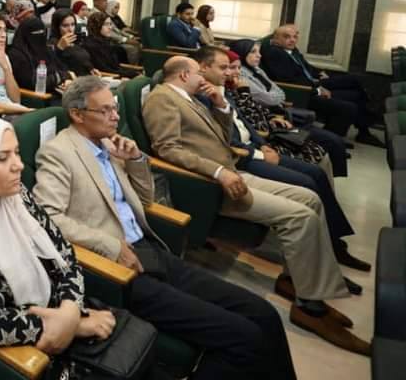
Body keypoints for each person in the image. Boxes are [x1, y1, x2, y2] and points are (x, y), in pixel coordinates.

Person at [35, 76, 298, 380]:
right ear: (77, 114)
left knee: (263, 313)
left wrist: (135, 160)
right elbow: (48, 218)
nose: (116, 116)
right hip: (118, 269)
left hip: (151, 251)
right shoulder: (59, 153)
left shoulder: (108, 144)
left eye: (115, 108)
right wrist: (110, 245)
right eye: (105, 110)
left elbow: (146, 200)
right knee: (243, 338)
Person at [142, 55, 368, 354]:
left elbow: (222, 138)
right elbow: (167, 149)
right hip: (211, 186)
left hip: (232, 170)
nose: (203, 78)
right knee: (300, 216)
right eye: (198, 72)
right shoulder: (162, 99)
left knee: (309, 198)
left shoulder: (191, 98)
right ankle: (310, 308)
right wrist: (218, 172)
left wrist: (221, 106)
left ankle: (296, 278)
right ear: (183, 75)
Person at [0, 115, 114, 370]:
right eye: (2, 158)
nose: (19, 165)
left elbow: (65, 255)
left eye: (16, 153)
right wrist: (73, 325)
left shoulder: (16, 195)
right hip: (31, 351)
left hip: (65, 311)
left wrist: (71, 308)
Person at [199, 47, 368, 271]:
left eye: (233, 68)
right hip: (243, 157)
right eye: (225, 68)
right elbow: (227, 139)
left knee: (319, 165)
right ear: (203, 68)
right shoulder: (206, 96)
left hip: (258, 144)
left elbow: (249, 122)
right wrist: (260, 151)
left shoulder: (224, 89)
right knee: (309, 180)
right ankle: (330, 244)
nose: (230, 73)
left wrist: (262, 144)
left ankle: (331, 239)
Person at [231, 38, 349, 177]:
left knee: (332, 143)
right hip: (271, 125)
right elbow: (269, 99)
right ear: (241, 54)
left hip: (277, 117)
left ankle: (327, 181)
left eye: (259, 51)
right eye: (253, 52)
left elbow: (279, 92)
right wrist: (274, 101)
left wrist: (275, 99)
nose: (259, 55)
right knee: (330, 143)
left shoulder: (257, 70)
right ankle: (321, 181)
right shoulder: (241, 80)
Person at [261, 24, 379, 146]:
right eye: (287, 37)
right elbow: (289, 80)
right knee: (351, 100)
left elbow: (305, 67)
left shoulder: (291, 49)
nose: (292, 40)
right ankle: (333, 140)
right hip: (303, 93)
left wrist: (319, 73)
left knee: (356, 92)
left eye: (295, 37)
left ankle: (356, 133)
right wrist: (317, 89)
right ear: (276, 39)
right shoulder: (275, 53)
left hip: (312, 84)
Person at [7, 17, 74, 95]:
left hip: (59, 91)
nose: (40, 36)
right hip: (37, 97)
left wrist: (66, 80)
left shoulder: (45, 49)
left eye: (42, 32)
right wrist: (62, 77)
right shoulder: (16, 55)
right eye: (36, 33)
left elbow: (62, 68)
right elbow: (32, 82)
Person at [82, 11, 137, 77]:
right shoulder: (91, 45)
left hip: (115, 74)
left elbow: (115, 66)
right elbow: (105, 70)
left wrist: (133, 73)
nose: (110, 27)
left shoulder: (105, 41)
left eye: (110, 24)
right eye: (106, 24)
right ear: (96, 26)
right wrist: (132, 74)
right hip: (107, 78)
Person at [51, 10, 95, 76]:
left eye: (73, 24)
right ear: (57, 27)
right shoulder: (52, 44)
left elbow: (83, 59)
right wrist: (59, 49)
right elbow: (54, 66)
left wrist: (91, 68)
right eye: (65, 25)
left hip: (87, 77)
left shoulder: (76, 40)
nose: (70, 29)